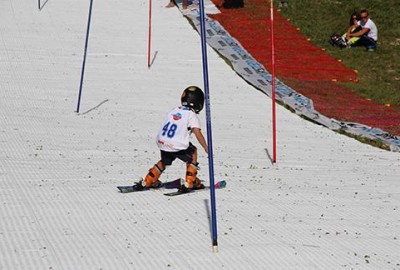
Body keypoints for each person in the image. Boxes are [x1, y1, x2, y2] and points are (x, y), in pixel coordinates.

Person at [132, 86, 208, 192]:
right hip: (176, 144)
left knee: (165, 161)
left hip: (163, 141)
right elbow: (197, 132)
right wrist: (205, 146)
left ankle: (149, 180)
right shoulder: (191, 115)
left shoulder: (175, 110)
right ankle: (190, 181)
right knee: (193, 152)